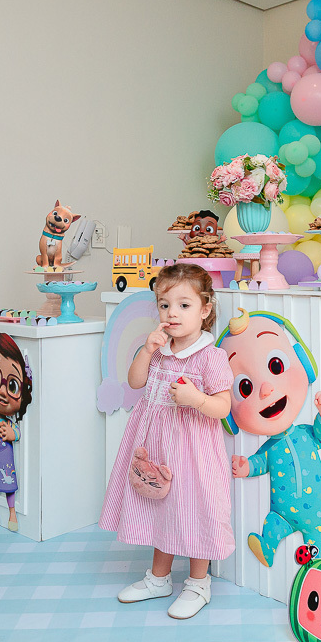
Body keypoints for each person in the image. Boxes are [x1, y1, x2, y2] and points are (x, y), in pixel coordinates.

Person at [99, 264, 234, 620]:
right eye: (164, 305)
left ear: (205, 310)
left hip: (193, 452)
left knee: (194, 509)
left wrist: (197, 400)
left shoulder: (211, 356)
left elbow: (223, 406)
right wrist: (146, 350)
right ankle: (159, 578)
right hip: (156, 447)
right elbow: (135, 382)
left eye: (184, 305)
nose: (172, 313)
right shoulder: (159, 349)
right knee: (161, 507)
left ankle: (198, 582)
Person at [219, 310, 321, 568]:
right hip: (281, 514)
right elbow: (260, 462)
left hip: (316, 512)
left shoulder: (306, 433)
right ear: (229, 414)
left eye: (275, 366)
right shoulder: (270, 447)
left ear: (305, 363)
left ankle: (318, 568)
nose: (266, 389)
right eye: (245, 387)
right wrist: (246, 466)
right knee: (271, 525)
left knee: (319, 544)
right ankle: (267, 547)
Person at [0, 333, 33, 531]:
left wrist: (12, 434)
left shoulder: (11, 424)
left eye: (12, 385)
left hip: (7, 462)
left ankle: (12, 514)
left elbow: (17, 433)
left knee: (10, 487)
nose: (2, 392)